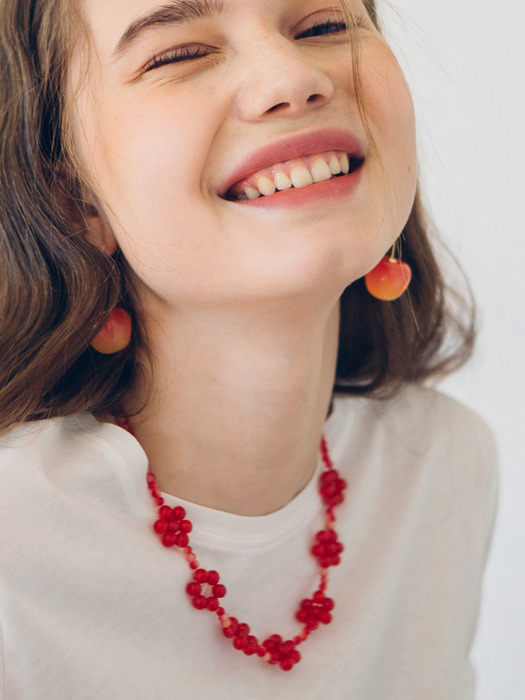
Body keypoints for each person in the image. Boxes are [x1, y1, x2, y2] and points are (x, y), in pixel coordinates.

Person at [0, 0, 498, 698]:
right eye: (178, 53)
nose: (290, 78)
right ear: (72, 199)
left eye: (323, 25)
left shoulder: (443, 465)